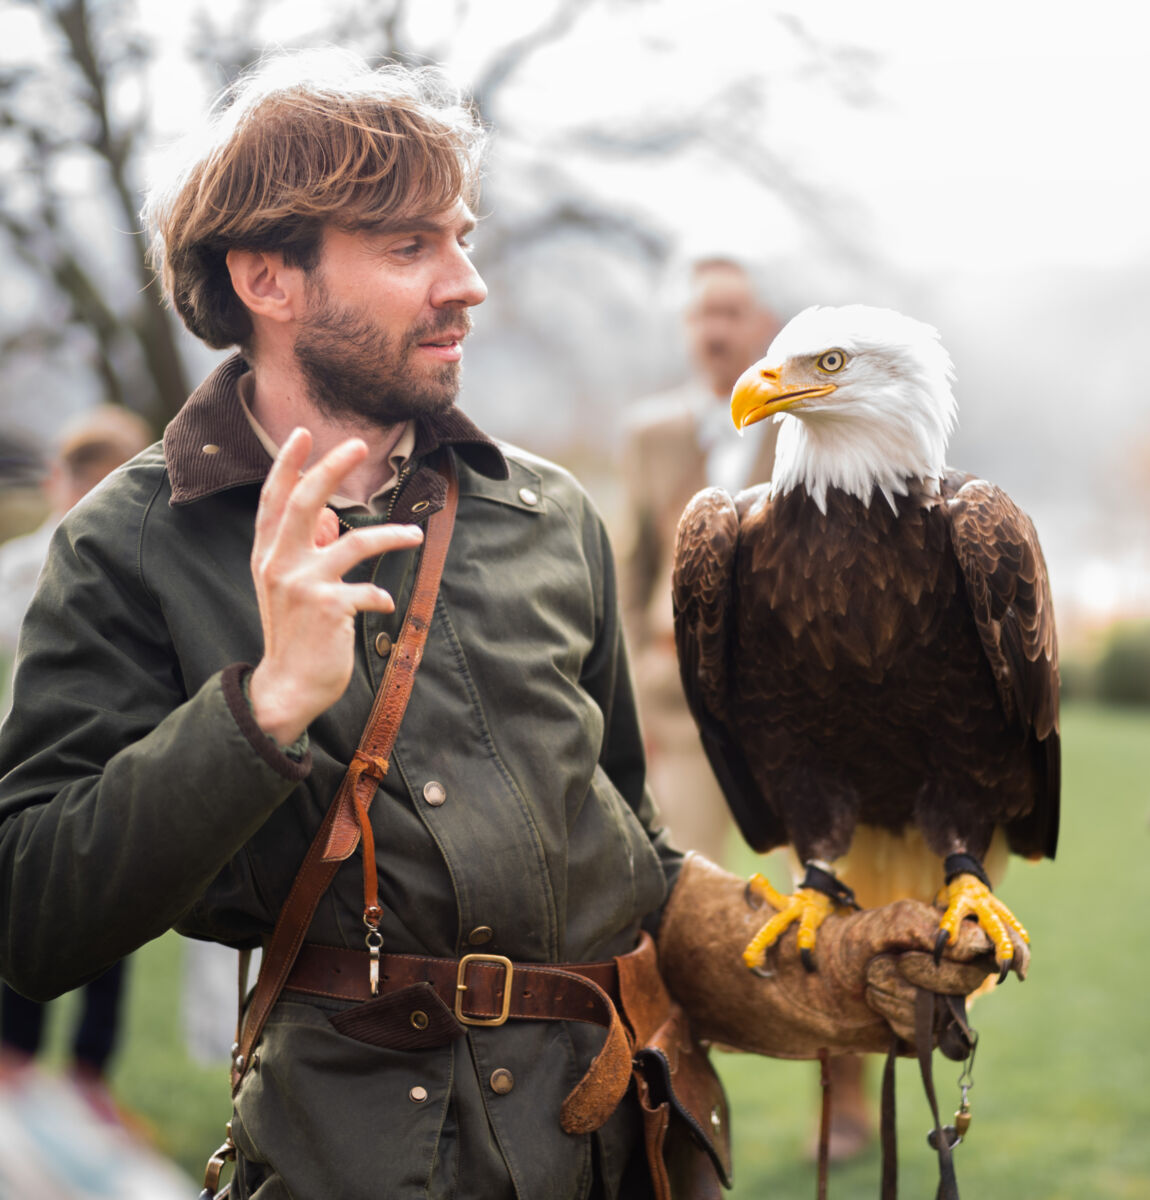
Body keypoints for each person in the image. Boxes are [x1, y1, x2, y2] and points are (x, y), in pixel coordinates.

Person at [0, 51, 1000, 1200]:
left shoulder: (548, 515)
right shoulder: (129, 543)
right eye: (410, 246)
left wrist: (813, 963)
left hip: (616, 1150)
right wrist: (262, 706)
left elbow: (624, 851)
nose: (466, 283)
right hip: (357, 1165)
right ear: (268, 277)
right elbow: (32, 917)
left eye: (461, 238)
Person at [0, 405, 152, 1124]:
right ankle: (14, 1059)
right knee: (25, 903)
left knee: (111, 921)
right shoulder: (24, 566)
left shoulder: (145, 558)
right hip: (28, 770)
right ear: (61, 482)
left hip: (115, 770)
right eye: (81, 485)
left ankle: (90, 1074)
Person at [618, 257, 782, 868]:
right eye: (702, 315)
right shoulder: (649, 436)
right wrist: (635, 684)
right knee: (691, 883)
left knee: (825, 895)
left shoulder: (807, 431)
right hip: (682, 695)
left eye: (731, 313)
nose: (716, 331)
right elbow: (629, 572)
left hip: (794, 695)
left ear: (764, 325)